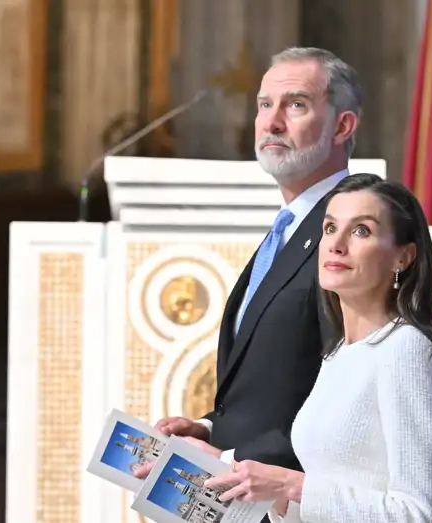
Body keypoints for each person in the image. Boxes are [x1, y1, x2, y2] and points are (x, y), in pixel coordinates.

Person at [134, 47, 363, 476]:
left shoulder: (352, 227)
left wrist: (227, 460)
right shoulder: (291, 226)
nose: (271, 122)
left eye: (295, 104)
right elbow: (274, 383)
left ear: (342, 126)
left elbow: (351, 394)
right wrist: (210, 429)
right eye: (264, 105)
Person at [203, 173, 432, 523]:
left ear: (402, 258)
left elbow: (415, 514)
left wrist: (290, 486)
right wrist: (270, 496)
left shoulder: (407, 348)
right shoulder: (339, 353)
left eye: (361, 231)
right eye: (329, 228)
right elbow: (326, 498)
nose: (336, 244)